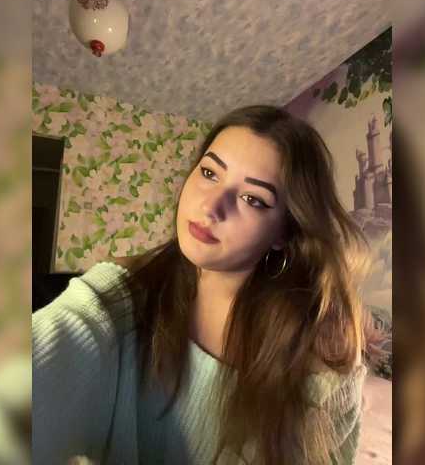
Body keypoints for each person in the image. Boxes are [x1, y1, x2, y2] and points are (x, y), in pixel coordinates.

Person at [33, 105, 373, 465]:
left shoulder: (321, 359)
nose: (211, 206)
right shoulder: (118, 295)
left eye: (252, 199)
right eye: (209, 173)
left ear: (283, 233)